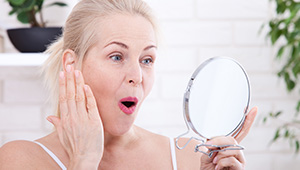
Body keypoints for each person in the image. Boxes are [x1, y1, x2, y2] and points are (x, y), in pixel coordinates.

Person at [0, 0, 257, 169]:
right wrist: (84, 161)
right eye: (116, 56)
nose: (137, 75)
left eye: (147, 59)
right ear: (71, 64)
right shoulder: (20, 160)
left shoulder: (191, 158)